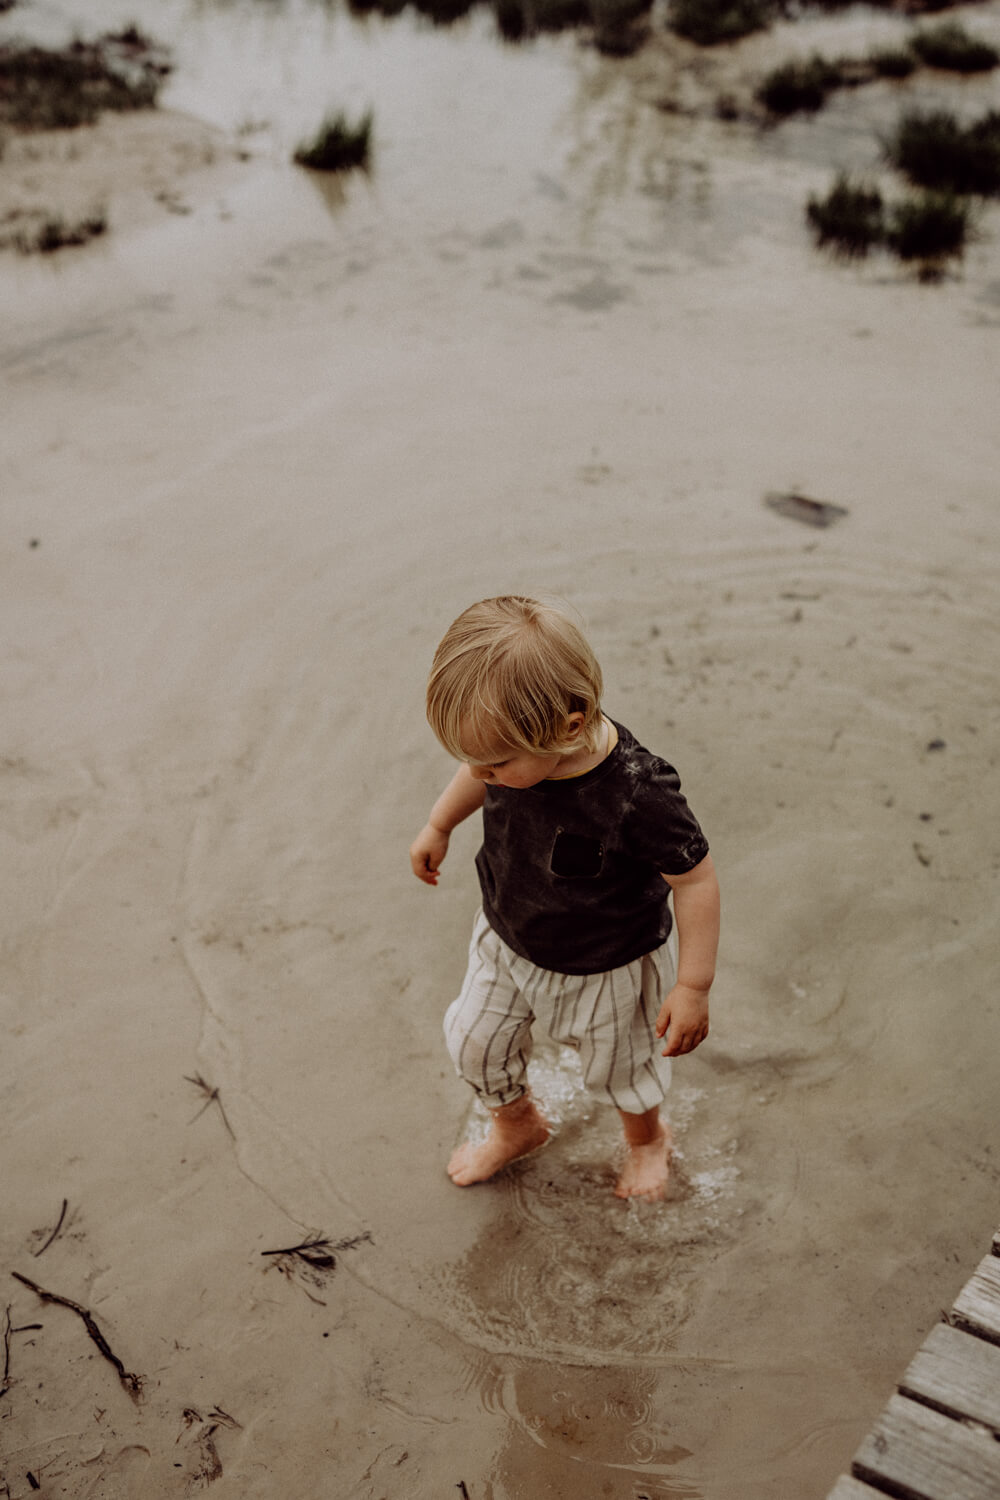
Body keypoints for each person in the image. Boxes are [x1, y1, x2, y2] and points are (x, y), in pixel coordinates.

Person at [409, 596, 719, 1203]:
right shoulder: (505, 755)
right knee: (474, 1042)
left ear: (568, 726)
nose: (481, 773)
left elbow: (697, 879)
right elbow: (476, 772)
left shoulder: (637, 790)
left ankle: (648, 1141)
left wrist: (694, 986)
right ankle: (517, 1125)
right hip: (505, 935)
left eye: (494, 763)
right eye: (472, 761)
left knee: (622, 1072)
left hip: (610, 964)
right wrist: (439, 824)